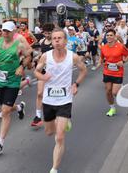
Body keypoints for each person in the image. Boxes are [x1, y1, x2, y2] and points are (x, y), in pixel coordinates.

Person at [35, 28, 87, 173]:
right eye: (54, 38)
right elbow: (36, 71)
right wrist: (42, 77)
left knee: (59, 137)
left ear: (65, 41)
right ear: (51, 41)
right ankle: (60, 123)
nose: (56, 40)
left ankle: (54, 168)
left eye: (59, 38)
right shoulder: (46, 56)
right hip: (48, 99)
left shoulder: (73, 57)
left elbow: (83, 70)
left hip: (65, 100)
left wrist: (76, 84)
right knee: (49, 132)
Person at [0, 21, 29, 155]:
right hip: (0, 80)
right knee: (5, 108)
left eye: (7, 31)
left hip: (13, 81)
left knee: (5, 111)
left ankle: (0, 143)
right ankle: (19, 107)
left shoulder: (19, 44)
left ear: (13, 32)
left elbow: (29, 55)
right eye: (3, 30)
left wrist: (21, 66)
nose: (5, 33)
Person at [95, 29, 128, 116]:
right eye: (107, 35)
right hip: (107, 71)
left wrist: (123, 62)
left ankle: (123, 91)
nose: (109, 37)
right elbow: (102, 57)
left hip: (118, 72)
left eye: (111, 35)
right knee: (108, 91)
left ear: (115, 37)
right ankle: (112, 108)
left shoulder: (120, 46)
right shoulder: (104, 47)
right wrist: (99, 63)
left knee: (115, 92)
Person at [31, 24, 54, 127]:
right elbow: (41, 54)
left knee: (52, 94)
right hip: (43, 71)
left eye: (49, 33)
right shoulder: (42, 42)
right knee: (40, 93)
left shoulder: (56, 42)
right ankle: (38, 116)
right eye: (46, 33)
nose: (48, 35)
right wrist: (36, 59)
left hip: (54, 72)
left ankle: (56, 113)